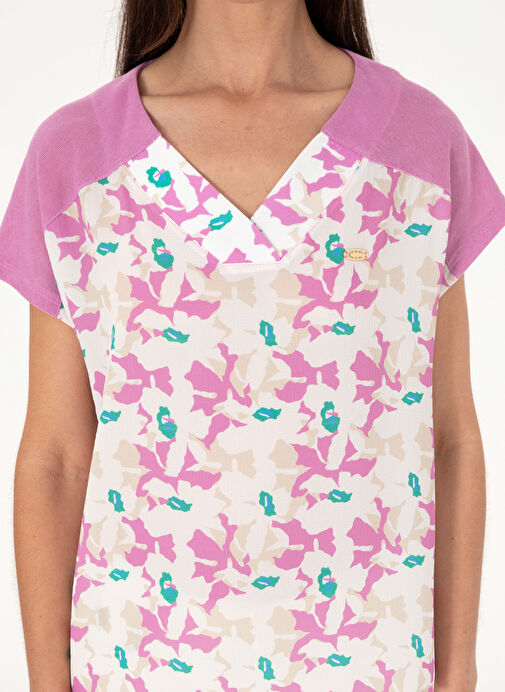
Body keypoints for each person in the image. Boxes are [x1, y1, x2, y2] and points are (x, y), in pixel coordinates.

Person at [1, 1, 504, 690]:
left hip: (375, 666)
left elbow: (450, 439)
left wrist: (458, 672)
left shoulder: (419, 146)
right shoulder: (76, 158)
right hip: (136, 665)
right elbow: (56, 459)